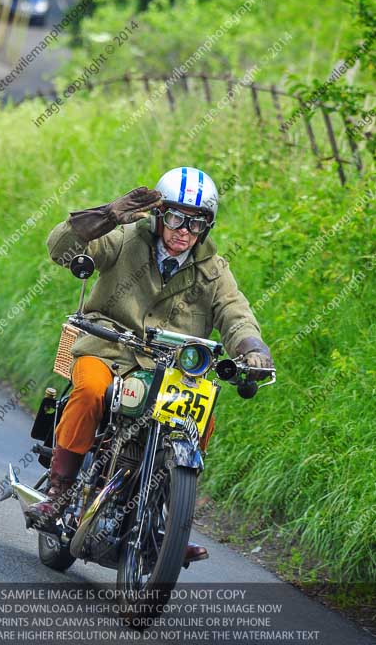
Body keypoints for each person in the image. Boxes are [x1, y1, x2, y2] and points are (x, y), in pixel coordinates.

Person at [27, 167, 274, 564]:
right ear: (159, 215)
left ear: (206, 228)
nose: (184, 231)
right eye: (176, 217)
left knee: (201, 416)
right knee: (90, 390)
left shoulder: (214, 271)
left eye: (196, 223)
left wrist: (253, 348)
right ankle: (60, 491)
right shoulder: (125, 239)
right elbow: (61, 249)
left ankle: (167, 521)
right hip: (109, 348)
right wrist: (106, 215)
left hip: (173, 369)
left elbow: (236, 314)